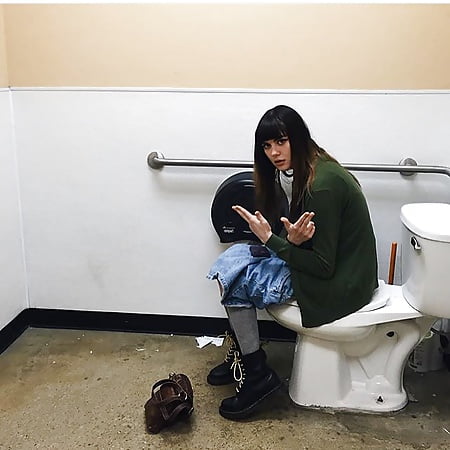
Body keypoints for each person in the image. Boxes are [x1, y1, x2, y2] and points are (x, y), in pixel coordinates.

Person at [206, 105, 378, 420]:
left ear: (297, 137)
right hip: (343, 272)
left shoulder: (321, 185)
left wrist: (272, 240)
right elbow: (314, 240)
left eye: (281, 142)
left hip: (339, 285)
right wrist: (290, 240)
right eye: (267, 145)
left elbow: (323, 266)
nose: (274, 152)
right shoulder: (312, 165)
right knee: (231, 260)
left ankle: (257, 375)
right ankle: (245, 355)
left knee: (235, 280)